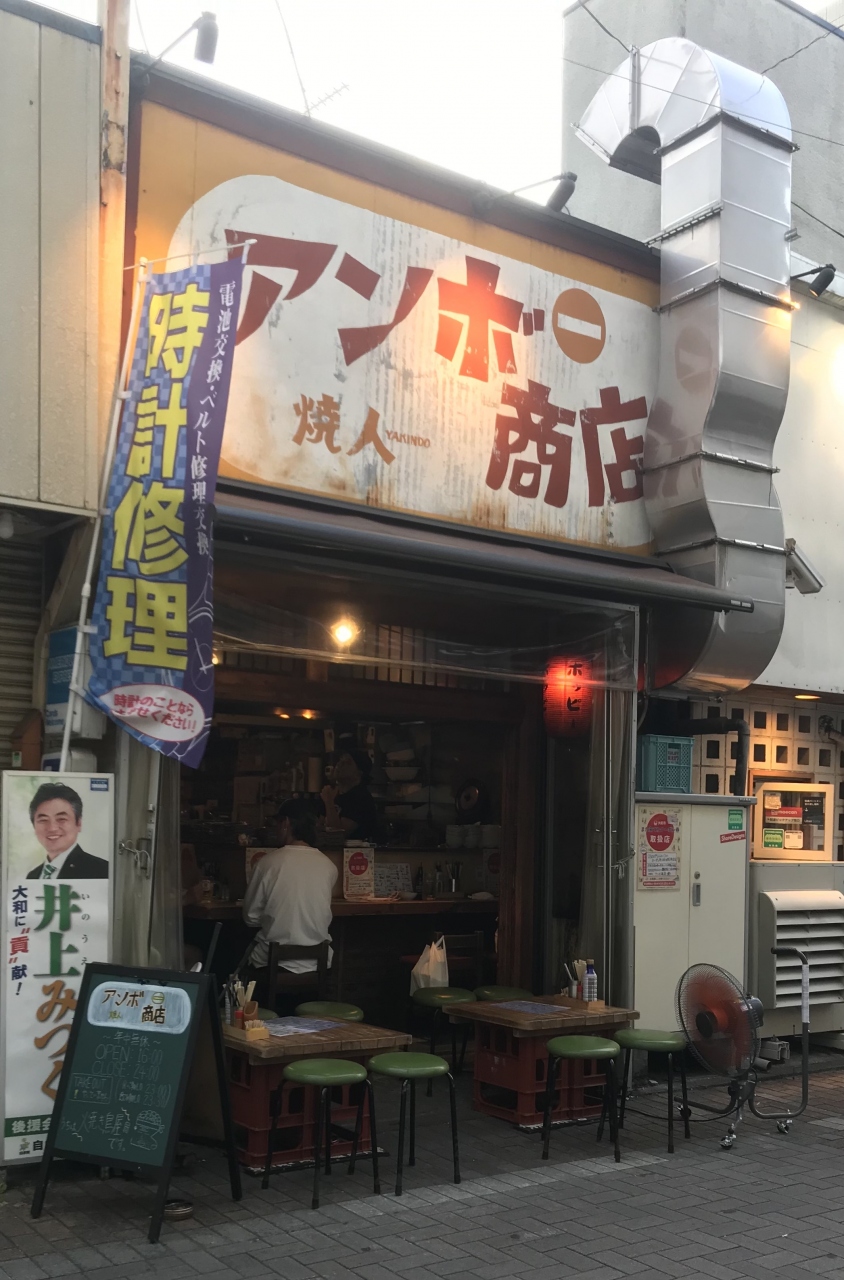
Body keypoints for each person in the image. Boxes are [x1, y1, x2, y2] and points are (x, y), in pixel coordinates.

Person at [242, 797, 338, 977]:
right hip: (318, 965)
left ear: (285, 823)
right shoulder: (329, 866)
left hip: (271, 964)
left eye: (277, 823)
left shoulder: (267, 863)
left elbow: (250, 917)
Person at [26, 782, 109, 880]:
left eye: (61, 819)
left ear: (78, 823)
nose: (52, 828)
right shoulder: (32, 876)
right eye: (43, 820)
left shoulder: (102, 870)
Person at [320, 748, 378, 841]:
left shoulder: (361, 798)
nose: (339, 764)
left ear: (359, 773)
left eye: (347, 762)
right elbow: (320, 824)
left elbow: (338, 834)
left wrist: (329, 802)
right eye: (340, 760)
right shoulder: (334, 793)